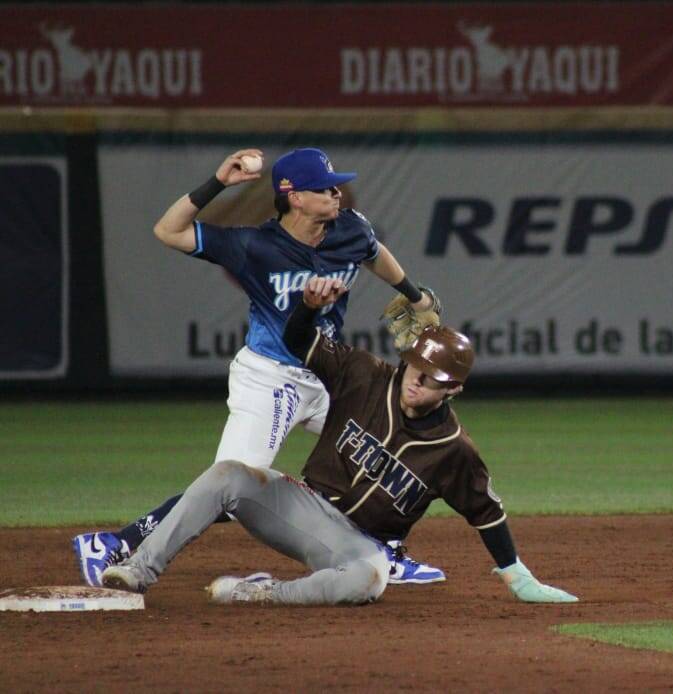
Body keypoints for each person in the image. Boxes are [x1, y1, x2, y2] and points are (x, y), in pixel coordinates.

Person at [73, 148, 445, 587]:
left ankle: (387, 550)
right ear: (294, 197)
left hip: (324, 375)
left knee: (391, 444)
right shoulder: (253, 246)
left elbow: (374, 251)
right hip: (269, 378)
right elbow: (167, 230)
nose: (335, 192)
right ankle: (116, 542)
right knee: (229, 493)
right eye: (323, 187)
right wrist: (217, 183)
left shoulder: (350, 228)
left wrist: (414, 295)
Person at [100, 276, 578, 606]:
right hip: (300, 505)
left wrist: (517, 576)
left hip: (359, 545)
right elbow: (299, 341)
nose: (417, 381)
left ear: (453, 389)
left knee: (369, 582)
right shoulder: (363, 373)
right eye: (415, 366)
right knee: (228, 473)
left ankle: (258, 594)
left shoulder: (455, 450)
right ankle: (139, 570)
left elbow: (486, 515)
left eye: (432, 378)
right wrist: (308, 308)